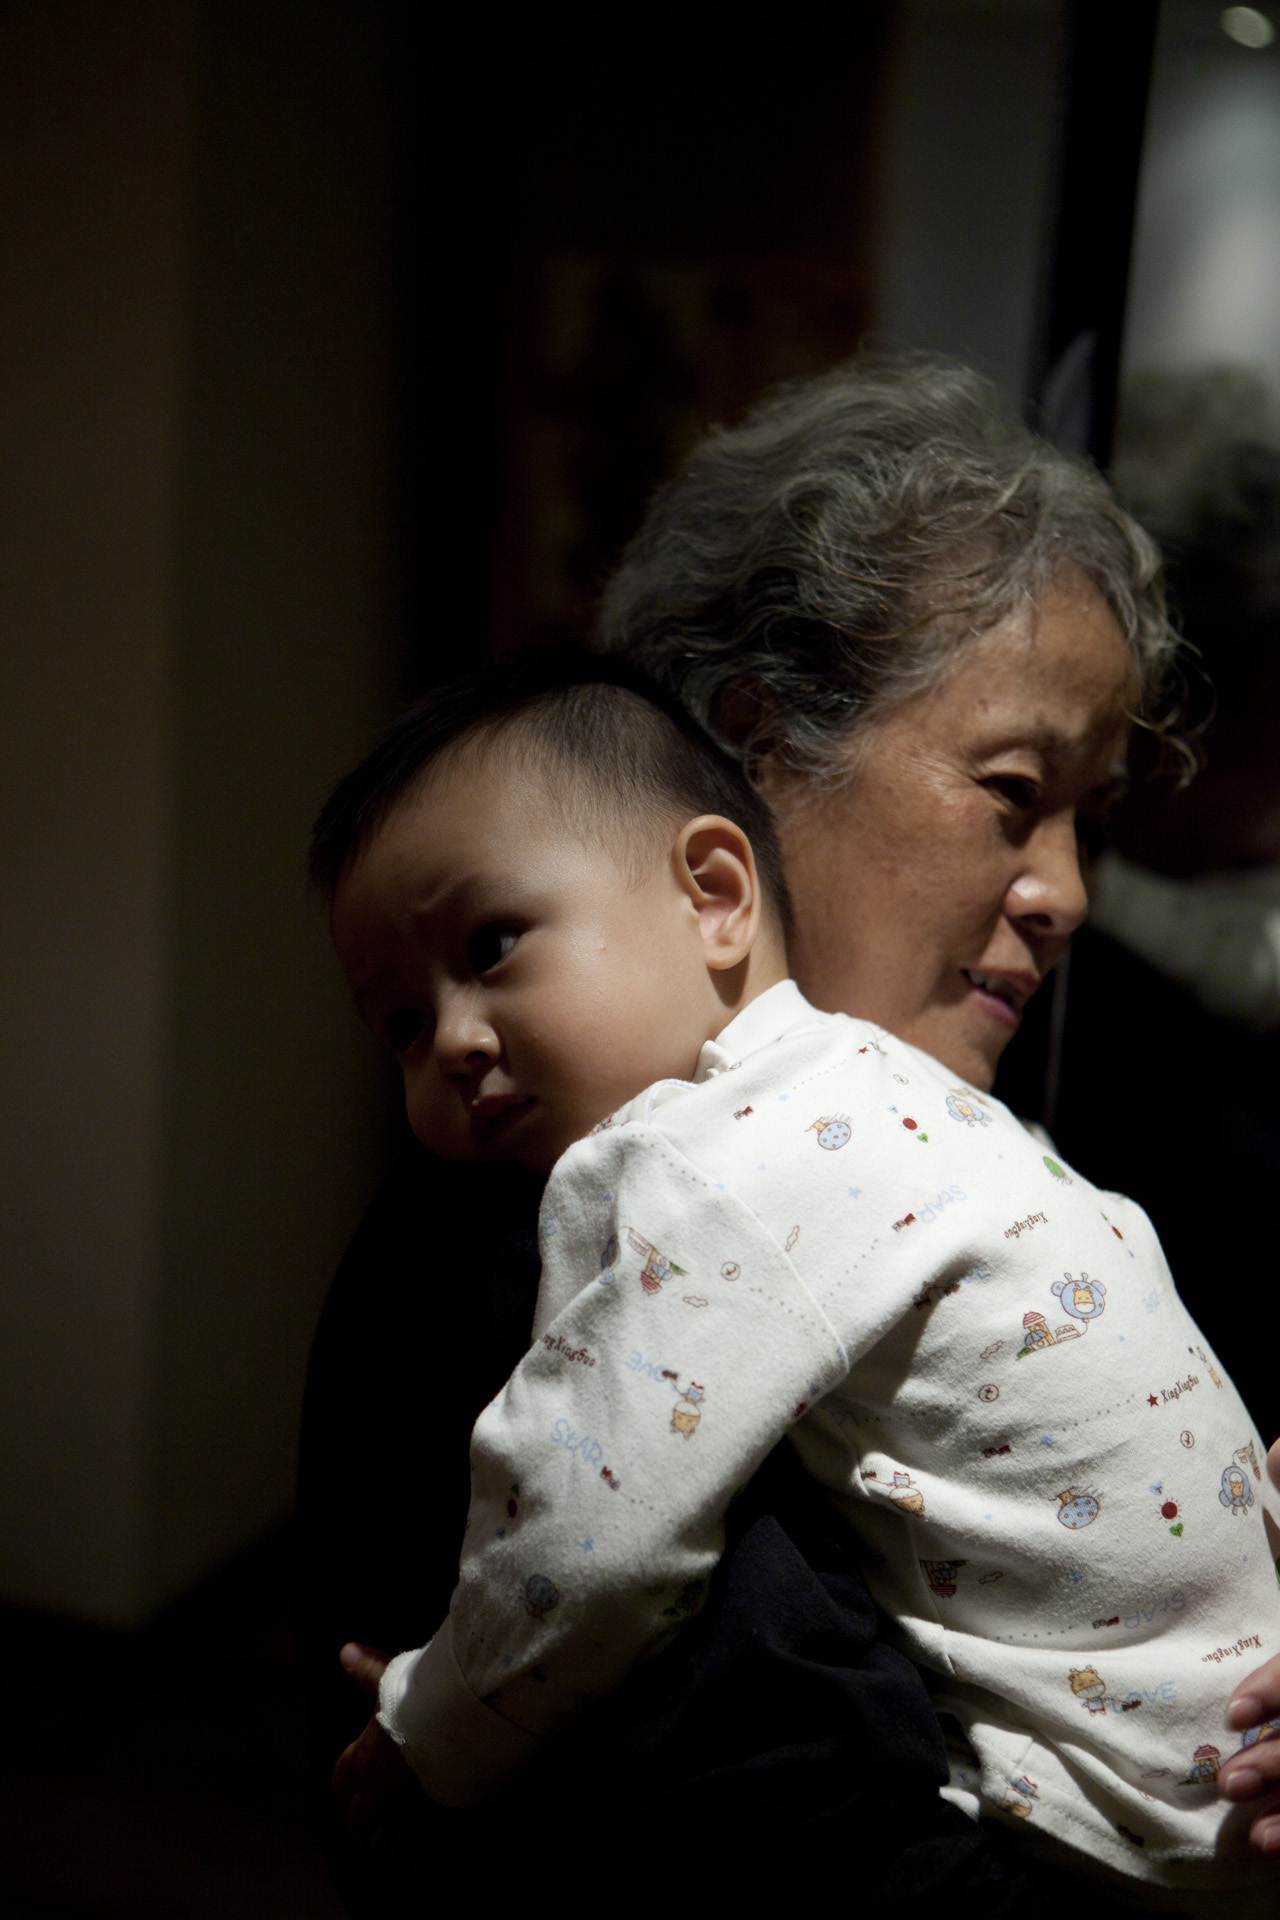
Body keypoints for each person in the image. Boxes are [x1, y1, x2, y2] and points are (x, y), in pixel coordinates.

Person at [295, 354, 1279, 1909]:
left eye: (1089, 819)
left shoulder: (963, 1133)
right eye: (1012, 791)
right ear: (750, 758)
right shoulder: (563, 1239)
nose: (1068, 892)